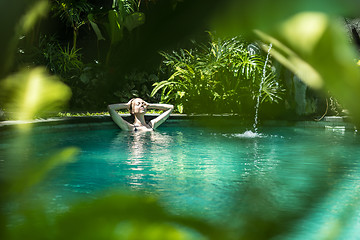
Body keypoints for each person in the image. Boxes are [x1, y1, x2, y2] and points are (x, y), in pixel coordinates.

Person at [107, 98, 174, 131]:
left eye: (143, 104)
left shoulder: (152, 125)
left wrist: (149, 105)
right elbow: (110, 108)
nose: (142, 105)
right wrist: (127, 105)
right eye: (138, 104)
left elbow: (170, 108)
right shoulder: (129, 127)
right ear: (132, 111)